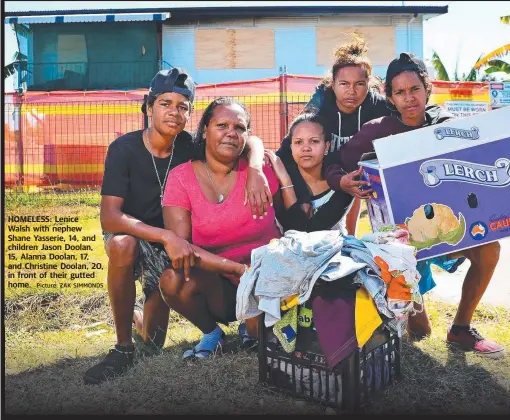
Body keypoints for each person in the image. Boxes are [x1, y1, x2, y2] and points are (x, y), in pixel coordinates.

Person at [84, 70, 272, 385]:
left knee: (154, 343)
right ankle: (122, 347)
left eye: (183, 106)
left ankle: (139, 318)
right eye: (165, 103)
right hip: (139, 236)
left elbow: (248, 137)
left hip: (175, 245)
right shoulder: (124, 149)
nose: (174, 112)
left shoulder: (189, 146)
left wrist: (254, 169)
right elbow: (110, 217)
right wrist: (165, 236)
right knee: (121, 245)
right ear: (148, 108)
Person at [325, 52, 504, 357]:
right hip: (399, 244)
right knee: (420, 333)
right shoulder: (376, 130)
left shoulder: (446, 124)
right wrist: (342, 181)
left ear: (426, 89)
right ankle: (408, 311)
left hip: (445, 232)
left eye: (414, 90)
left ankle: (461, 328)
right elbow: (333, 163)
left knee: (490, 247)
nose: (409, 98)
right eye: (400, 92)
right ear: (390, 98)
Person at [159, 97, 296, 359]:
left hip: (268, 280)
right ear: (205, 130)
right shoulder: (181, 178)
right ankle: (213, 333)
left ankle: (254, 323)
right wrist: (238, 270)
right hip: (221, 284)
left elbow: (288, 221)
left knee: (261, 339)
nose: (231, 133)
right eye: (222, 125)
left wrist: (256, 169)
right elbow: (182, 249)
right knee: (173, 279)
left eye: (240, 128)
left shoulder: (260, 172)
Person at [276, 36, 392, 236]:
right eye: (344, 84)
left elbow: (410, 116)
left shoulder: (378, 106)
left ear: (369, 84)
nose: (352, 92)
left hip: (353, 171)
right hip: (323, 174)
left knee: (349, 219)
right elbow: (287, 151)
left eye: (360, 84)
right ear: (334, 84)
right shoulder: (321, 105)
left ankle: (351, 238)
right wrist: (302, 196)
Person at [266, 112, 353, 234]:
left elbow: (306, 232)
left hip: (335, 251)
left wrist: (286, 182)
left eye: (314, 141)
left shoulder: (342, 181)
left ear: (327, 146)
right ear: (291, 147)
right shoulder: (276, 180)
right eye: (298, 142)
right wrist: (285, 180)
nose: (305, 148)